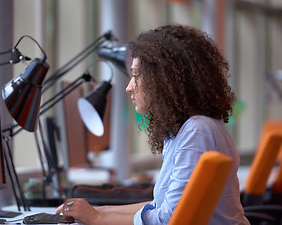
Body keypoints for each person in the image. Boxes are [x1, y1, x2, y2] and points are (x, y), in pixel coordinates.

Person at [55, 24, 249, 224]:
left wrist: (95, 218)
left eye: (136, 76)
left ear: (164, 79)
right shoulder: (188, 130)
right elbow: (159, 206)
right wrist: (97, 211)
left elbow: (167, 219)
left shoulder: (196, 131)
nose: (129, 87)